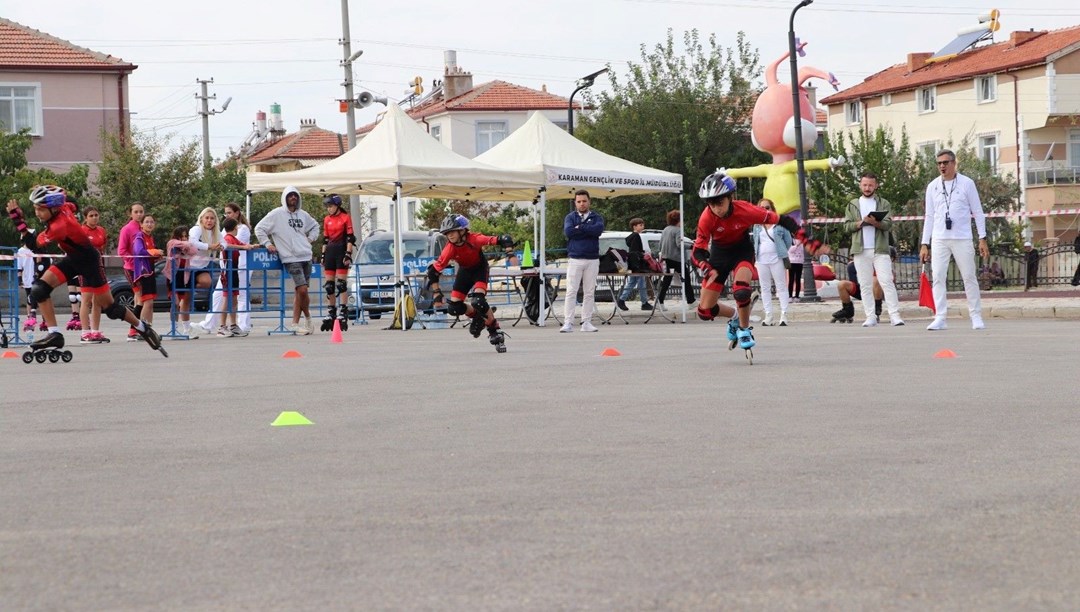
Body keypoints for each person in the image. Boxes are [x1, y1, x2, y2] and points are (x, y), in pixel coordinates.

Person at [5, 186, 163, 354]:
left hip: (90, 262)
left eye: (41, 209)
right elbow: (73, 202)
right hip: (74, 258)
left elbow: (33, 245)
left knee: (111, 309)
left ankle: (143, 328)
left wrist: (18, 221)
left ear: (53, 208)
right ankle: (54, 334)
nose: (37, 213)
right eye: (35, 208)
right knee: (39, 289)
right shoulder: (64, 207)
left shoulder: (58, 226)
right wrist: (50, 191)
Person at [692, 170, 816, 351]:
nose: (716, 209)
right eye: (711, 204)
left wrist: (806, 239)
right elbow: (697, 251)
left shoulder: (745, 210)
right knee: (704, 312)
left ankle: (744, 329)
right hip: (719, 255)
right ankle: (735, 317)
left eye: (720, 203)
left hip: (741, 251)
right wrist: (704, 265)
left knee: (741, 291)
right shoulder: (706, 217)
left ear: (730, 198)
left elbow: (783, 220)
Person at [425, 214, 515, 352]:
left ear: (462, 230)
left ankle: (494, 330)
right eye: (447, 233)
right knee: (454, 308)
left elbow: (504, 239)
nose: (449, 235)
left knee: (478, 301)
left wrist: (510, 253)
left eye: (452, 232)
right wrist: (437, 293)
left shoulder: (475, 239)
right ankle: (477, 317)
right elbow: (433, 272)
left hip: (479, 269)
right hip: (465, 272)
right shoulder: (449, 248)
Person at [920, 149, 989, 331]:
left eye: (945, 162)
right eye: (939, 163)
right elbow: (929, 216)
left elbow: (978, 212)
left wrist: (982, 238)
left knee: (969, 277)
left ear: (953, 163)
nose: (942, 166)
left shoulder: (967, 183)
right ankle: (940, 317)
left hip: (962, 237)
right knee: (938, 277)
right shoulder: (932, 186)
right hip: (939, 238)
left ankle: (975, 316)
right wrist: (924, 243)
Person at [254, 186, 320, 335]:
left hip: (306, 255)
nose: (293, 198)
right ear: (285, 198)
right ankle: (307, 318)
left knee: (301, 291)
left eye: (295, 195)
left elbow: (315, 226)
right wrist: (268, 244)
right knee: (302, 289)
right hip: (290, 257)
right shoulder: (276, 214)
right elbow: (259, 228)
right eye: (290, 195)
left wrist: (310, 239)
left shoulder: (303, 214)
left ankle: (296, 323)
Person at [842, 172, 904, 327]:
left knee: (886, 281)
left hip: (880, 249)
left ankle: (894, 315)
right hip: (860, 250)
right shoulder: (853, 204)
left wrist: (875, 223)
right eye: (865, 185)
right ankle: (870, 316)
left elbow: (888, 224)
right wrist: (860, 223)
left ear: (876, 186)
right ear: (860, 185)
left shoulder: (883, 203)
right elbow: (846, 226)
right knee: (864, 284)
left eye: (870, 185)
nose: (867, 188)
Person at [197, 203, 253, 335]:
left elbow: (230, 243)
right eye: (225, 213)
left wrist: (246, 246)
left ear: (237, 213)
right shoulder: (225, 230)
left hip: (239, 267)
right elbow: (223, 242)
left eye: (229, 213)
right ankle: (210, 324)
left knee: (239, 296)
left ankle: (242, 325)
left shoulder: (242, 228)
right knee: (220, 296)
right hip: (226, 268)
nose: (227, 215)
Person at [561, 189, 605, 333]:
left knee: (589, 292)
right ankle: (568, 322)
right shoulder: (570, 217)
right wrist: (587, 230)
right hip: (575, 258)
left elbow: (598, 230)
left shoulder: (596, 217)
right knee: (571, 291)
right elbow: (569, 232)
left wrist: (580, 227)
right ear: (575, 203)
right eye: (579, 201)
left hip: (592, 259)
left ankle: (586, 322)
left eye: (584, 201)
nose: (582, 204)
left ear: (589, 202)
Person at [176, 207, 223, 337]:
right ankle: (186, 328)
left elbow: (224, 242)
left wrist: (221, 246)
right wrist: (209, 246)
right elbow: (193, 242)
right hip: (189, 266)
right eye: (207, 218)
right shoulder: (196, 229)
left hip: (202, 267)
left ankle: (190, 288)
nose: (209, 221)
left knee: (207, 282)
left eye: (212, 218)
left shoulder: (216, 232)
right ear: (201, 219)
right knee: (186, 299)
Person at [751, 198, 793, 326]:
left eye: (767, 207)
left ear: (772, 209)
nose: (765, 210)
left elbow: (788, 241)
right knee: (765, 288)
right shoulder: (757, 225)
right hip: (761, 260)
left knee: (781, 286)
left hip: (777, 259)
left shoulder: (779, 223)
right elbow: (755, 241)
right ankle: (768, 315)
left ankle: (784, 314)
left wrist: (782, 251)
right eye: (762, 208)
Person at [318, 194, 356, 332]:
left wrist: (348, 253)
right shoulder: (327, 219)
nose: (329, 209)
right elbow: (325, 239)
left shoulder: (345, 217)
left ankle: (343, 310)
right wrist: (323, 255)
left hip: (341, 251)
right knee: (329, 286)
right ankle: (331, 311)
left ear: (337, 206)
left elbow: (350, 237)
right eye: (327, 206)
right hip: (330, 251)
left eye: (331, 206)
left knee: (341, 284)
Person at [219, 217, 255, 336]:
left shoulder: (234, 238)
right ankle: (222, 327)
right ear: (235, 228)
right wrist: (243, 247)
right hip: (227, 271)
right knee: (226, 299)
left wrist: (251, 246)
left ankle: (233, 325)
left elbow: (243, 244)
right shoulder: (227, 238)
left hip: (234, 270)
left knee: (234, 299)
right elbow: (227, 245)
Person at [129, 214, 163, 340]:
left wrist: (156, 255)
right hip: (143, 273)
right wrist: (153, 252)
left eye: (152, 222)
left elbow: (148, 255)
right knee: (146, 302)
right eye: (147, 222)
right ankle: (141, 331)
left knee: (150, 303)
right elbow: (139, 252)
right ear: (141, 225)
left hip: (150, 271)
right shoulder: (139, 236)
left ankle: (148, 329)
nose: (149, 224)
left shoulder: (150, 237)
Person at [79, 206, 109, 343]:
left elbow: (103, 246)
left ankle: (95, 331)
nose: (94, 218)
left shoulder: (101, 230)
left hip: (99, 267)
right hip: (85, 268)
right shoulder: (81, 230)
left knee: (98, 300)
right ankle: (85, 333)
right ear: (86, 218)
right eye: (91, 215)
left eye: (96, 215)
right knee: (86, 300)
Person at [116, 202, 145, 341]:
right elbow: (121, 251)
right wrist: (135, 260)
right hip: (131, 268)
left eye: (141, 212)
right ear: (130, 213)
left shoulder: (144, 227)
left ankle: (138, 328)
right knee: (140, 297)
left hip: (144, 268)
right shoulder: (126, 229)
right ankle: (133, 330)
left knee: (140, 298)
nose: (139, 214)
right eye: (136, 212)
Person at [657, 209, 694, 306]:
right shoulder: (678, 230)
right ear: (679, 220)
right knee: (686, 278)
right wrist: (691, 246)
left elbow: (660, 244)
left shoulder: (666, 229)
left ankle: (660, 301)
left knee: (667, 280)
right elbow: (679, 244)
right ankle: (691, 301)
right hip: (676, 259)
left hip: (666, 257)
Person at [616, 218, 653, 312]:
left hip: (633, 263)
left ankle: (623, 300)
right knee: (640, 282)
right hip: (637, 263)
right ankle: (643, 302)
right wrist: (642, 254)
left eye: (642, 225)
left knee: (634, 282)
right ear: (634, 227)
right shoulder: (636, 236)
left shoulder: (631, 237)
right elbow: (636, 251)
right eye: (640, 225)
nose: (642, 227)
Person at [787, 234, 805, 300]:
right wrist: (797, 245)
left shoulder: (802, 241)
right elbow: (790, 250)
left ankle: (797, 296)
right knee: (791, 279)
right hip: (792, 262)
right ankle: (790, 296)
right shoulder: (790, 240)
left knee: (798, 279)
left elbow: (803, 250)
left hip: (799, 262)